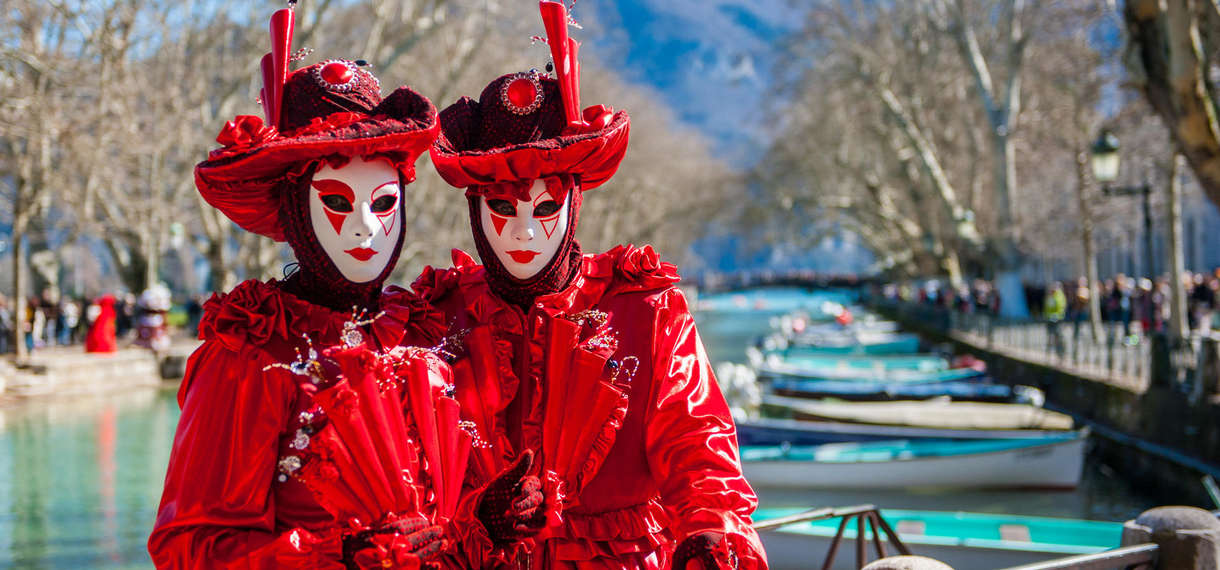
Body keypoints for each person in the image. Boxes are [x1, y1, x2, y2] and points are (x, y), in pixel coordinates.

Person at [149, 8, 547, 568]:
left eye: (383, 202)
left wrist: (481, 520)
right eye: (337, 202)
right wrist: (336, 558)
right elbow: (190, 549)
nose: (365, 226)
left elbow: (434, 531)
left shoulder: (420, 334)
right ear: (295, 212)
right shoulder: (252, 355)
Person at [420, 2, 767, 567]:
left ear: (574, 204)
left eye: (547, 206)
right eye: (503, 208)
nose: (526, 231)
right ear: (474, 210)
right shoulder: (438, 316)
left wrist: (709, 532)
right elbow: (413, 484)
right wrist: (473, 518)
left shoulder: (646, 309)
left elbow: (699, 446)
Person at [1043, 281, 1067, 359]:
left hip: (1057, 320)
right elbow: (1047, 308)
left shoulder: (1060, 296)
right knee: (1050, 337)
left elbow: (1060, 309)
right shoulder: (1051, 296)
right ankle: (1049, 355)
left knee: (1058, 337)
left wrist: (1055, 316)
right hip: (1050, 320)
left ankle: (1061, 354)